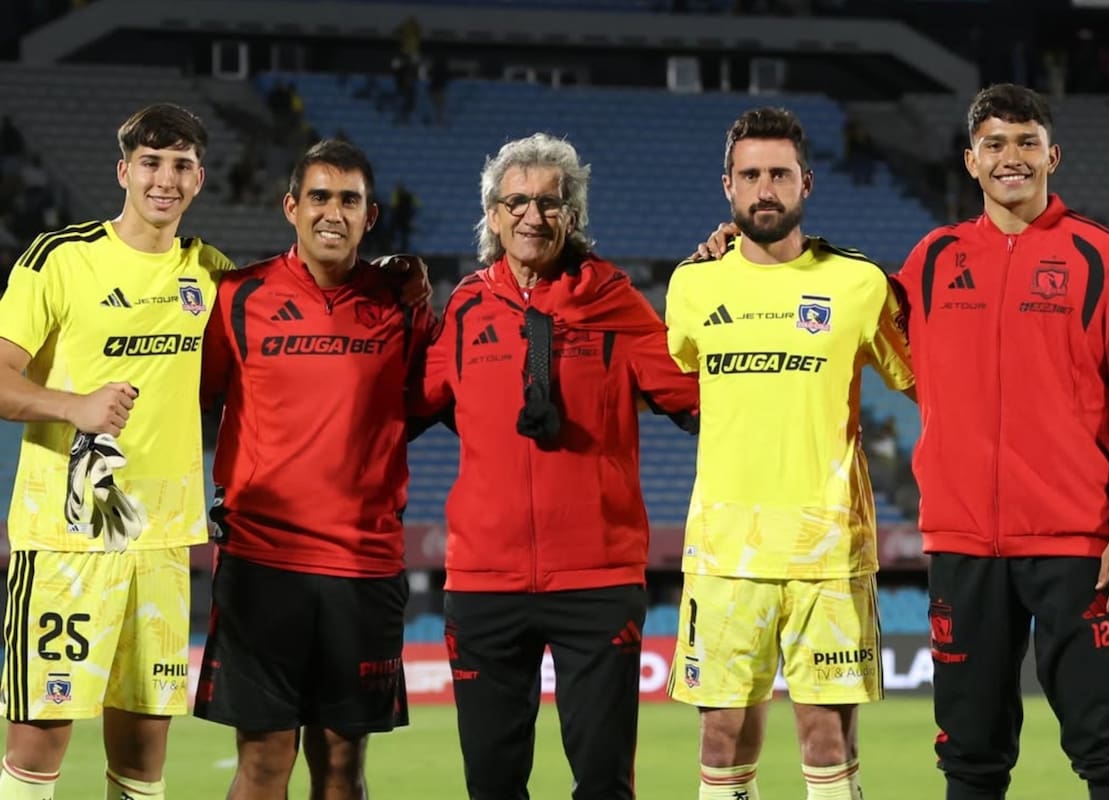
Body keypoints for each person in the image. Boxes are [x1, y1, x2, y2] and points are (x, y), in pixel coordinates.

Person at [893, 83, 1109, 800]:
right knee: (969, 758)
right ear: (971, 160)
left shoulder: (1101, 255)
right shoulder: (932, 259)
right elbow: (844, 312)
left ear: (1053, 155)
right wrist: (749, 254)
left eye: (1026, 142)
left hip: (1077, 546)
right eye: (994, 143)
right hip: (962, 545)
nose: (1010, 156)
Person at [416, 132, 699, 800]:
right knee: (491, 786)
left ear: (572, 215)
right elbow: (402, 405)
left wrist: (725, 284)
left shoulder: (617, 302)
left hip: (597, 580)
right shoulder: (466, 307)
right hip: (484, 581)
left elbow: (695, 396)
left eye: (550, 202)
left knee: (603, 785)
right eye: (516, 202)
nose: (532, 216)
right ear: (493, 216)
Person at [666, 107, 914, 800]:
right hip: (724, 554)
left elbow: (924, 379)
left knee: (827, 737)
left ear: (807, 182)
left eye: (779, 174)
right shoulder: (693, 285)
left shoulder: (859, 284)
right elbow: (677, 368)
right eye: (750, 176)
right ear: (728, 186)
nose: (764, 189)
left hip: (827, 552)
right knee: (720, 738)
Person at [0, 103, 233, 800]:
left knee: (143, 749)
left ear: (199, 180)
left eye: (182, 165)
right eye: (151, 163)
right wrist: (74, 406)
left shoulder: (211, 272)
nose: (166, 179)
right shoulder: (60, 258)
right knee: (39, 739)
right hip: (67, 538)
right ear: (123, 171)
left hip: (160, 543)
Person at [193, 138, 436, 799]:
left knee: (342, 766)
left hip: (363, 567)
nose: (334, 212)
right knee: (263, 761)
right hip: (260, 564)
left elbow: (429, 401)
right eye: (320, 197)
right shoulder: (238, 297)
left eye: (350, 200)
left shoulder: (402, 305)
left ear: (371, 216)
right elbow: (190, 400)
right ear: (291, 207)